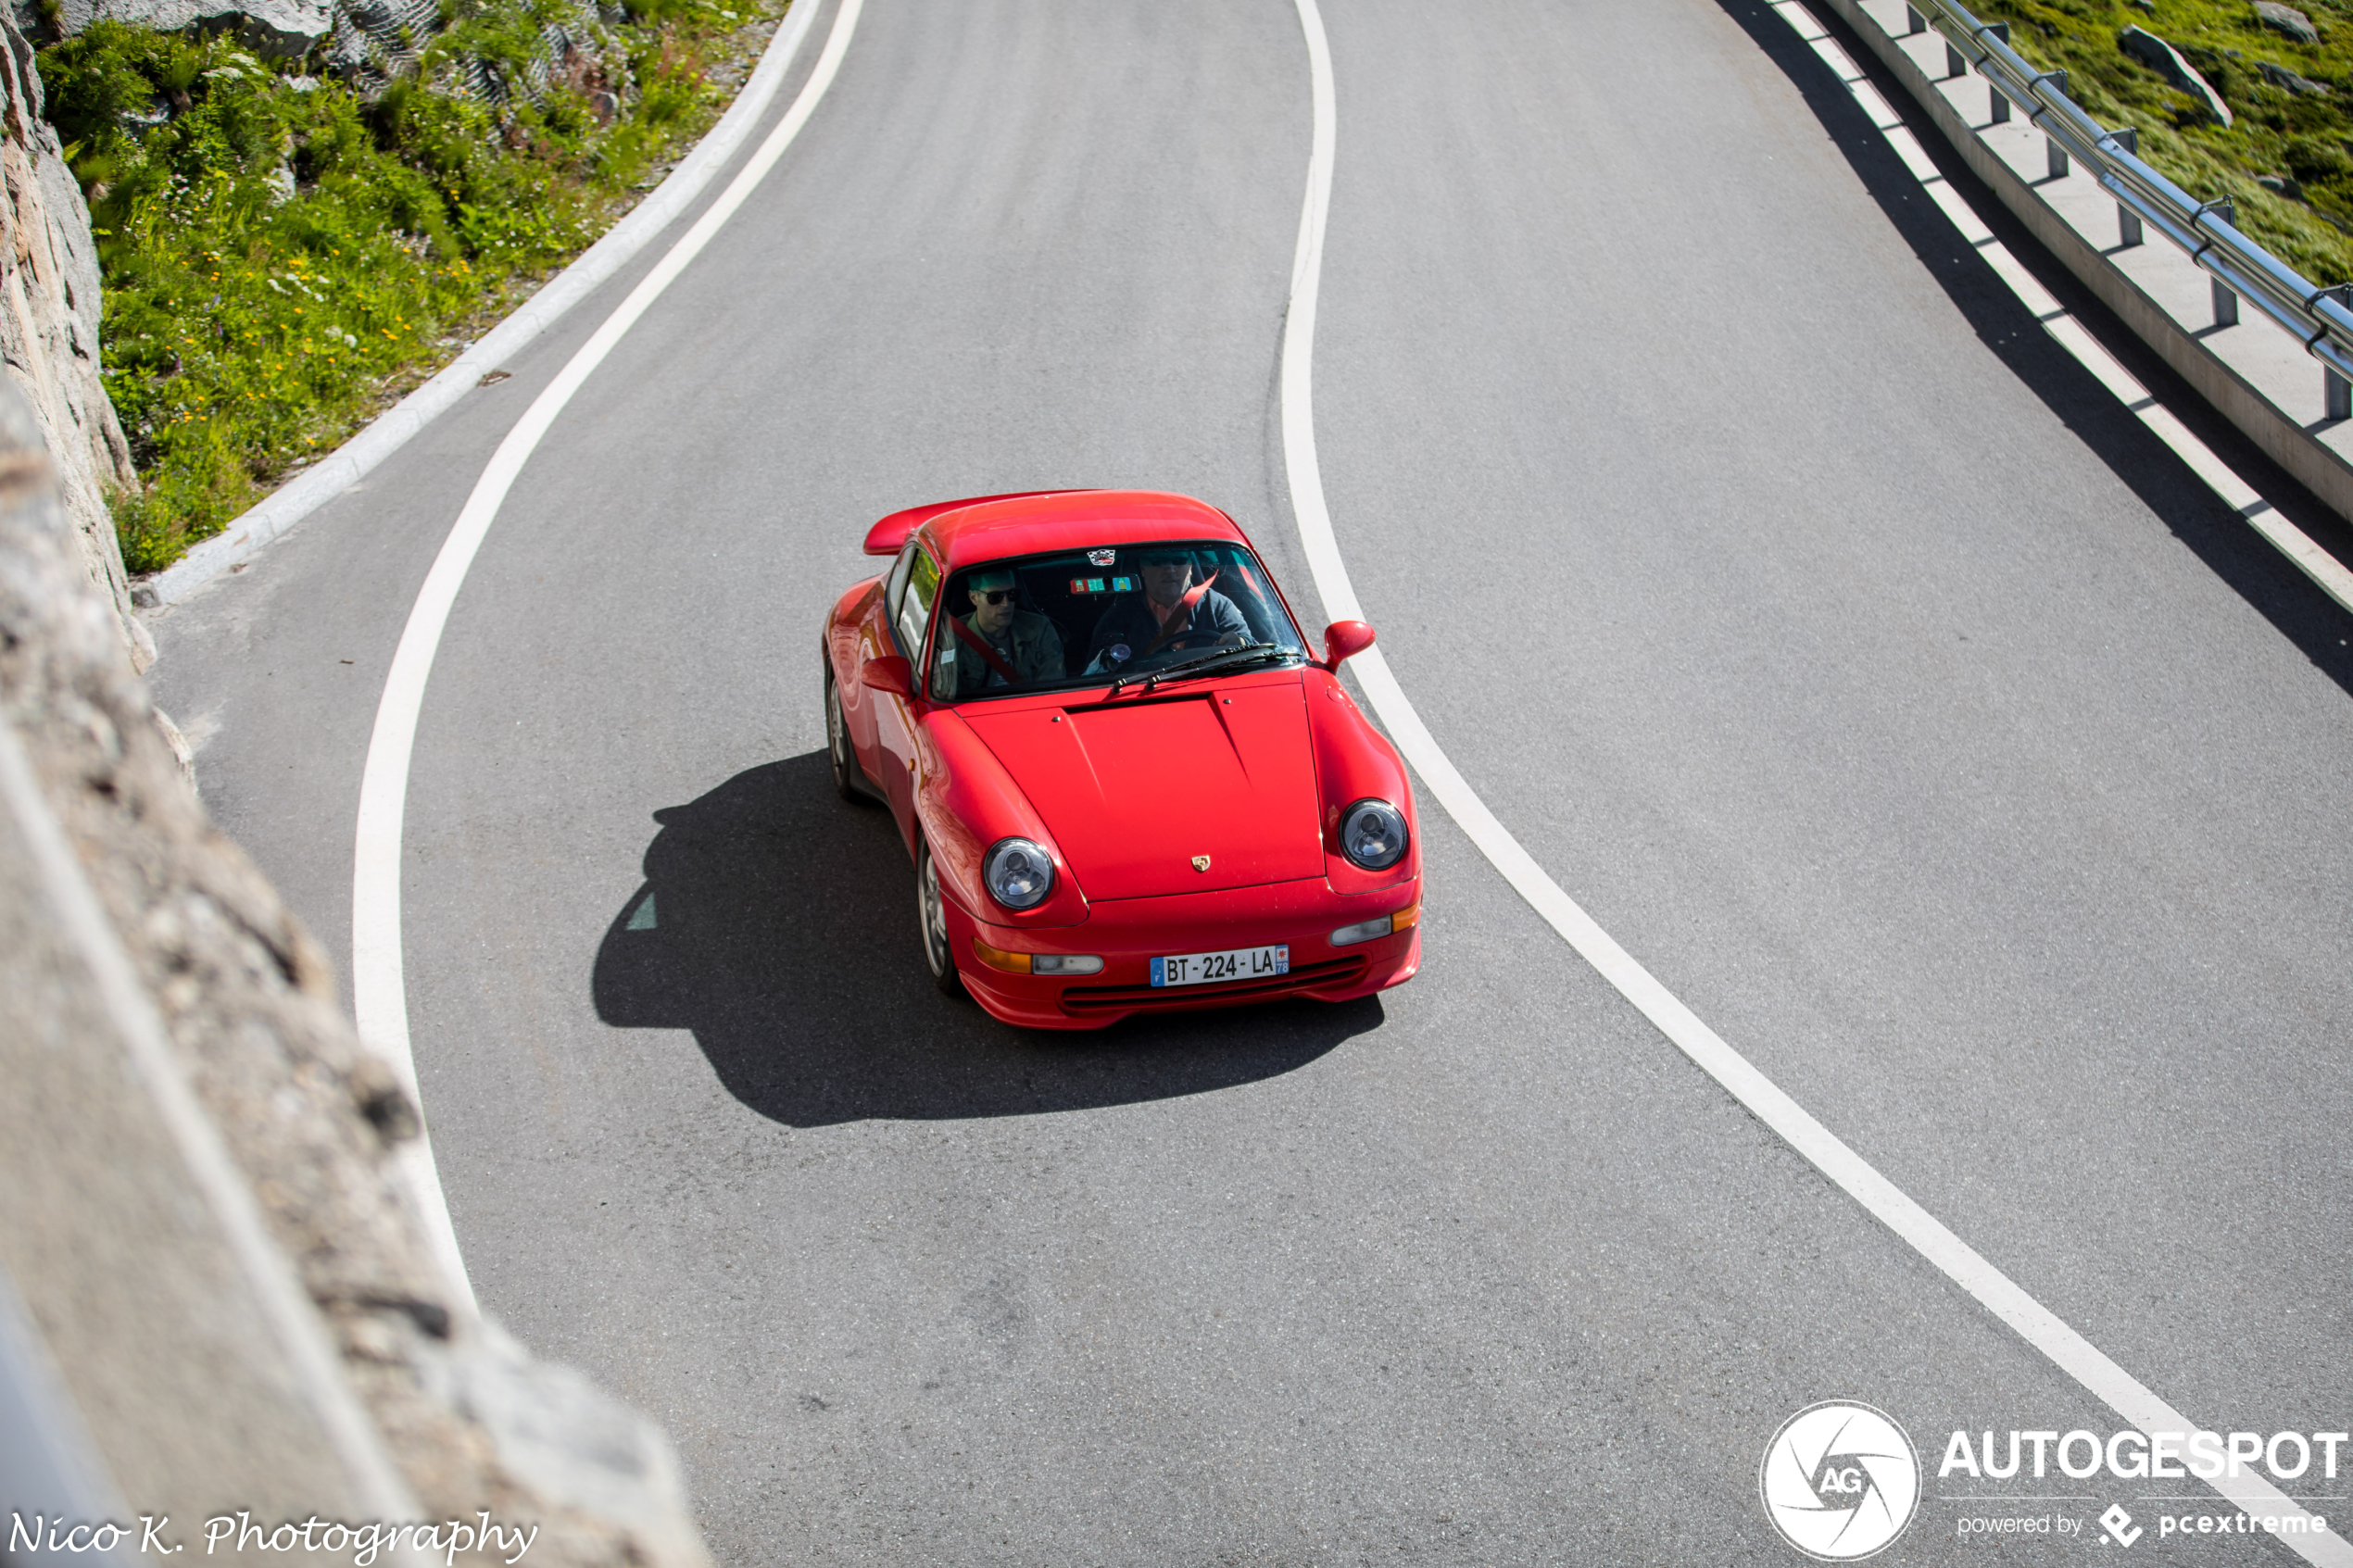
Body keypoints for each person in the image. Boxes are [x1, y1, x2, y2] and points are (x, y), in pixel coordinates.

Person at [1084, 548, 1251, 672]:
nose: (1170, 569)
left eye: (1178, 561)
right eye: (1158, 562)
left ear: (1190, 567)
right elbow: (1094, 675)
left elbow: (1254, 650)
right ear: (1143, 569)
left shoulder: (1217, 606)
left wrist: (1239, 643)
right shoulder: (1118, 617)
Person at [942, 567, 1064, 696]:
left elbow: (1052, 688)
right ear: (974, 598)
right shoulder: (952, 638)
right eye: (995, 597)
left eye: (1012, 594)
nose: (1006, 604)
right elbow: (950, 698)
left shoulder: (1039, 628)